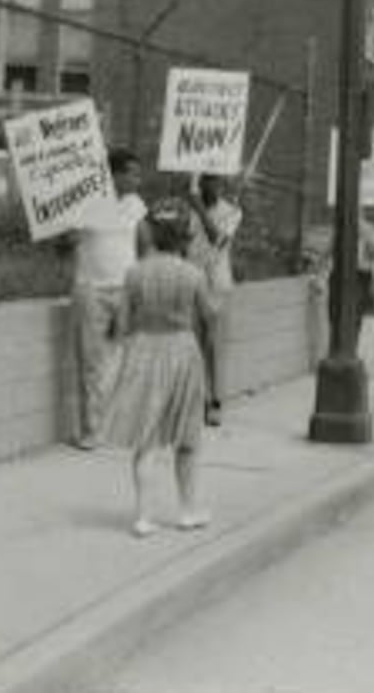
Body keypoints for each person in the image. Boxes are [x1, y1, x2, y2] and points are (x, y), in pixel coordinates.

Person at [99, 198, 217, 538]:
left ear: (152, 233)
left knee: (145, 436)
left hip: (144, 350)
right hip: (182, 350)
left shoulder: (135, 273)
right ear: (185, 235)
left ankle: (143, 516)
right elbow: (211, 316)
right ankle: (188, 511)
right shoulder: (193, 274)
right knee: (188, 437)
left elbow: (121, 324)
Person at [65, 148, 149, 450]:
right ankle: (92, 431)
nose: (138, 179)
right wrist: (73, 231)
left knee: (125, 359)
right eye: (133, 173)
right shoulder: (85, 202)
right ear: (115, 174)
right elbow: (67, 240)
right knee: (91, 362)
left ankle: (120, 424)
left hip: (125, 290)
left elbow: (146, 246)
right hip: (92, 290)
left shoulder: (135, 204)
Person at [186, 174, 242, 427]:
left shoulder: (232, 212)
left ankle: (215, 401)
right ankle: (197, 399)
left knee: (213, 344)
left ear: (222, 183)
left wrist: (197, 206)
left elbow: (217, 239)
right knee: (192, 343)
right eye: (206, 180)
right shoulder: (186, 210)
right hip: (190, 281)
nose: (211, 185)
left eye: (216, 180)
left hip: (216, 285)